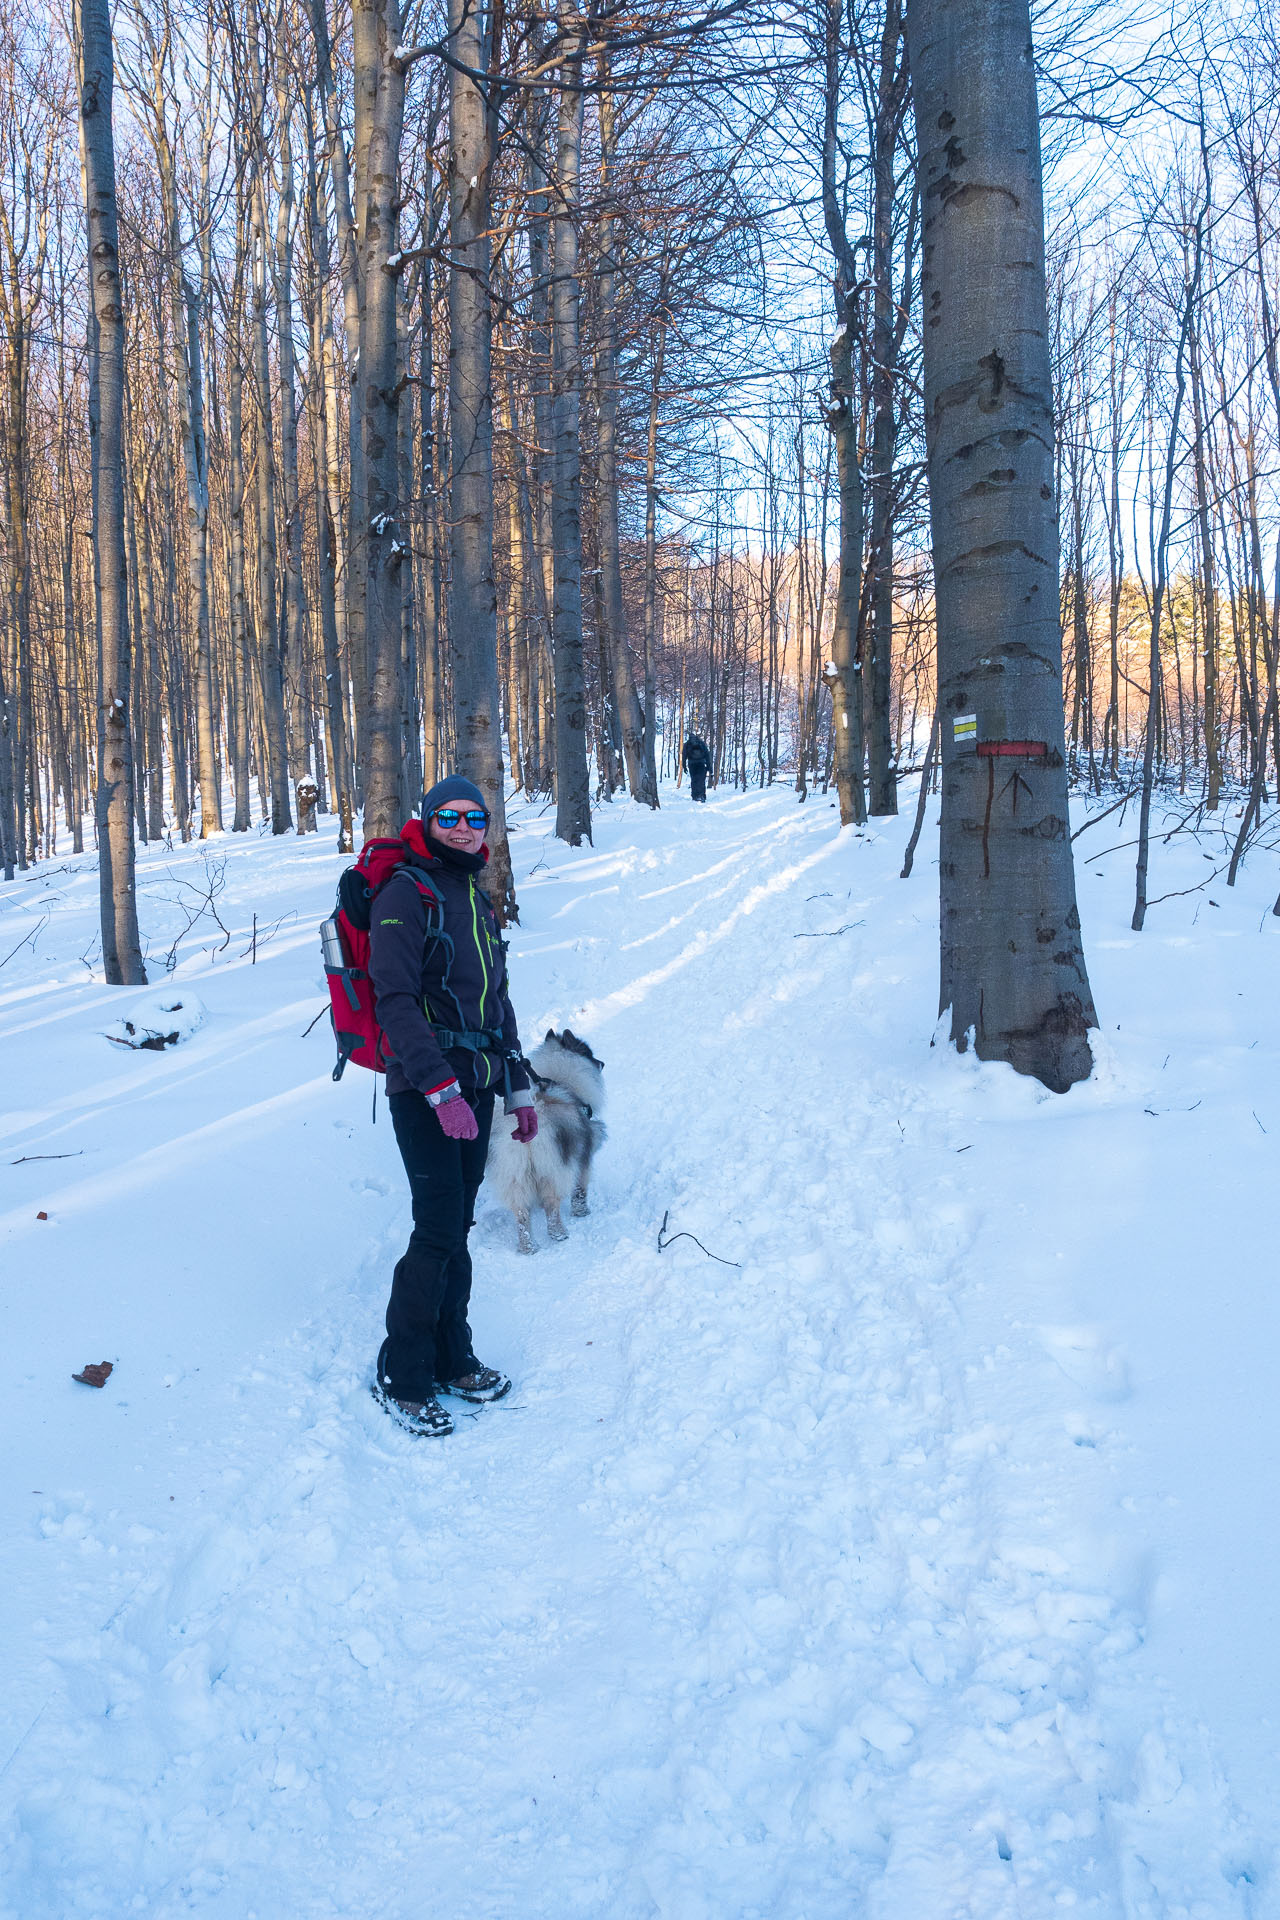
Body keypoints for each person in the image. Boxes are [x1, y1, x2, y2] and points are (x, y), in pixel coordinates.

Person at [368, 775, 538, 1438]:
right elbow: (395, 1002)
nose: (465, 827)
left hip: (479, 1083)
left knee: (456, 1227)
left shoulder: (474, 894)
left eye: (476, 816)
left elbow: (499, 1002)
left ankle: (452, 1357)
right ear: (428, 818)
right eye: (450, 816)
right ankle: (403, 1375)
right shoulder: (404, 893)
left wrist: (518, 1085)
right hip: (425, 1089)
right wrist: (440, 1091)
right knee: (436, 1230)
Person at [682, 731, 712, 802]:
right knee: (701, 780)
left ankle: (695, 796)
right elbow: (707, 755)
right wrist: (709, 767)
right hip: (701, 763)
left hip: (691, 764)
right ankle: (702, 796)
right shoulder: (701, 743)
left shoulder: (687, 744)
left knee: (694, 780)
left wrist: (684, 766)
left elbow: (684, 756)